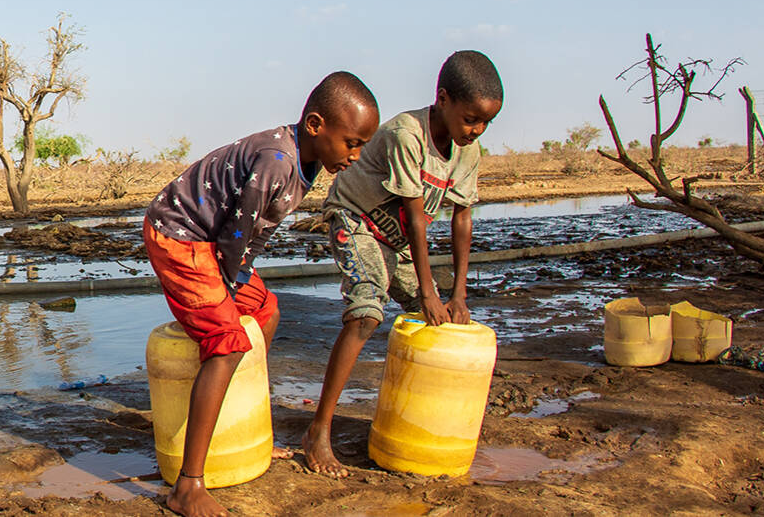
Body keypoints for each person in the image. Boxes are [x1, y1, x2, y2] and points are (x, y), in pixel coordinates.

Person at [144, 71, 380, 517]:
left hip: (216, 243)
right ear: (316, 125)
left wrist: (237, 281)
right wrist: (226, 292)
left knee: (266, 310)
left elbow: (252, 232)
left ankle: (245, 428)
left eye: (361, 146)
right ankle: (187, 485)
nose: (356, 155)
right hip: (179, 235)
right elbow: (236, 233)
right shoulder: (277, 160)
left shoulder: (307, 162)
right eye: (351, 143)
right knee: (228, 342)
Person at [302, 50, 504, 477]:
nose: (476, 130)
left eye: (485, 122)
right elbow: (415, 217)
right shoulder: (406, 134)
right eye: (470, 119)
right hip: (356, 219)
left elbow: (462, 219)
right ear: (443, 99)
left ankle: (421, 425)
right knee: (367, 312)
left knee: (442, 323)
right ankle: (318, 429)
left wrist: (457, 294)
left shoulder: (468, 152)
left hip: (396, 239)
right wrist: (427, 291)